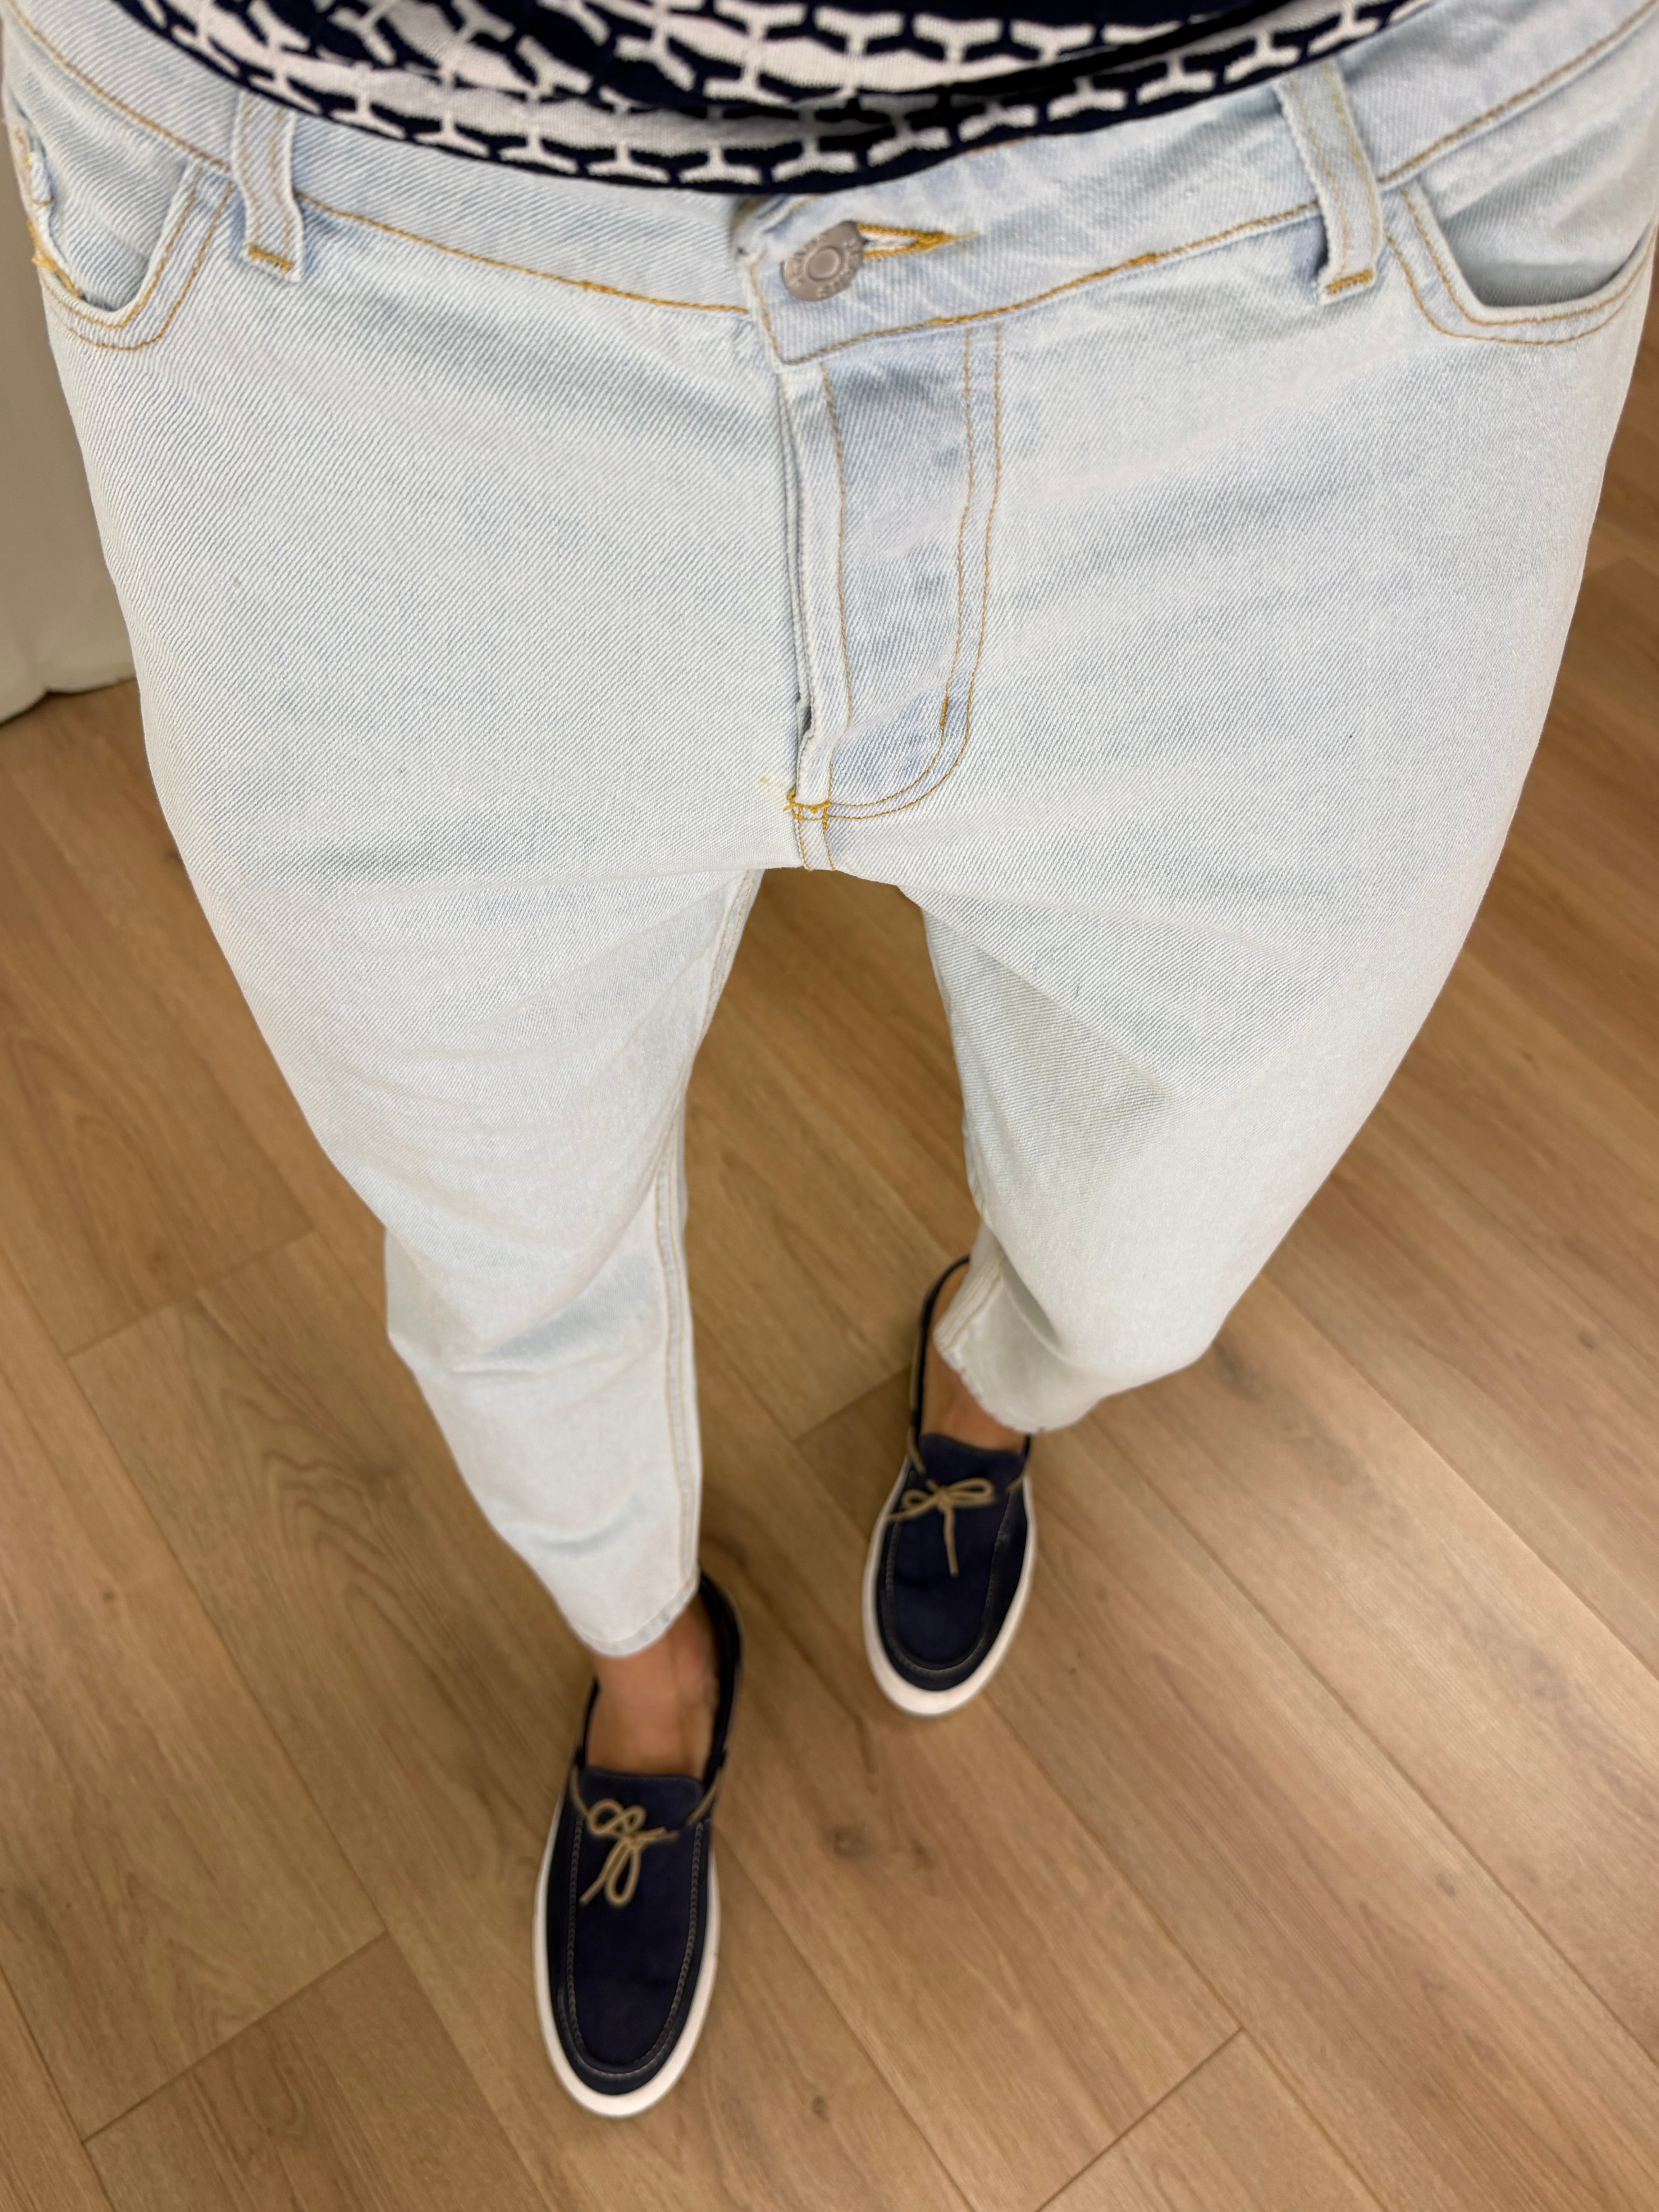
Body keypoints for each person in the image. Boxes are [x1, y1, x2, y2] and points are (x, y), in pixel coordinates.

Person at [5, 0, 1655, 2118]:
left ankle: (997, 1384)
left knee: (1165, 1229)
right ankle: (647, 1661)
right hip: (341, 266)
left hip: (1325, 236)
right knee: (499, 1232)